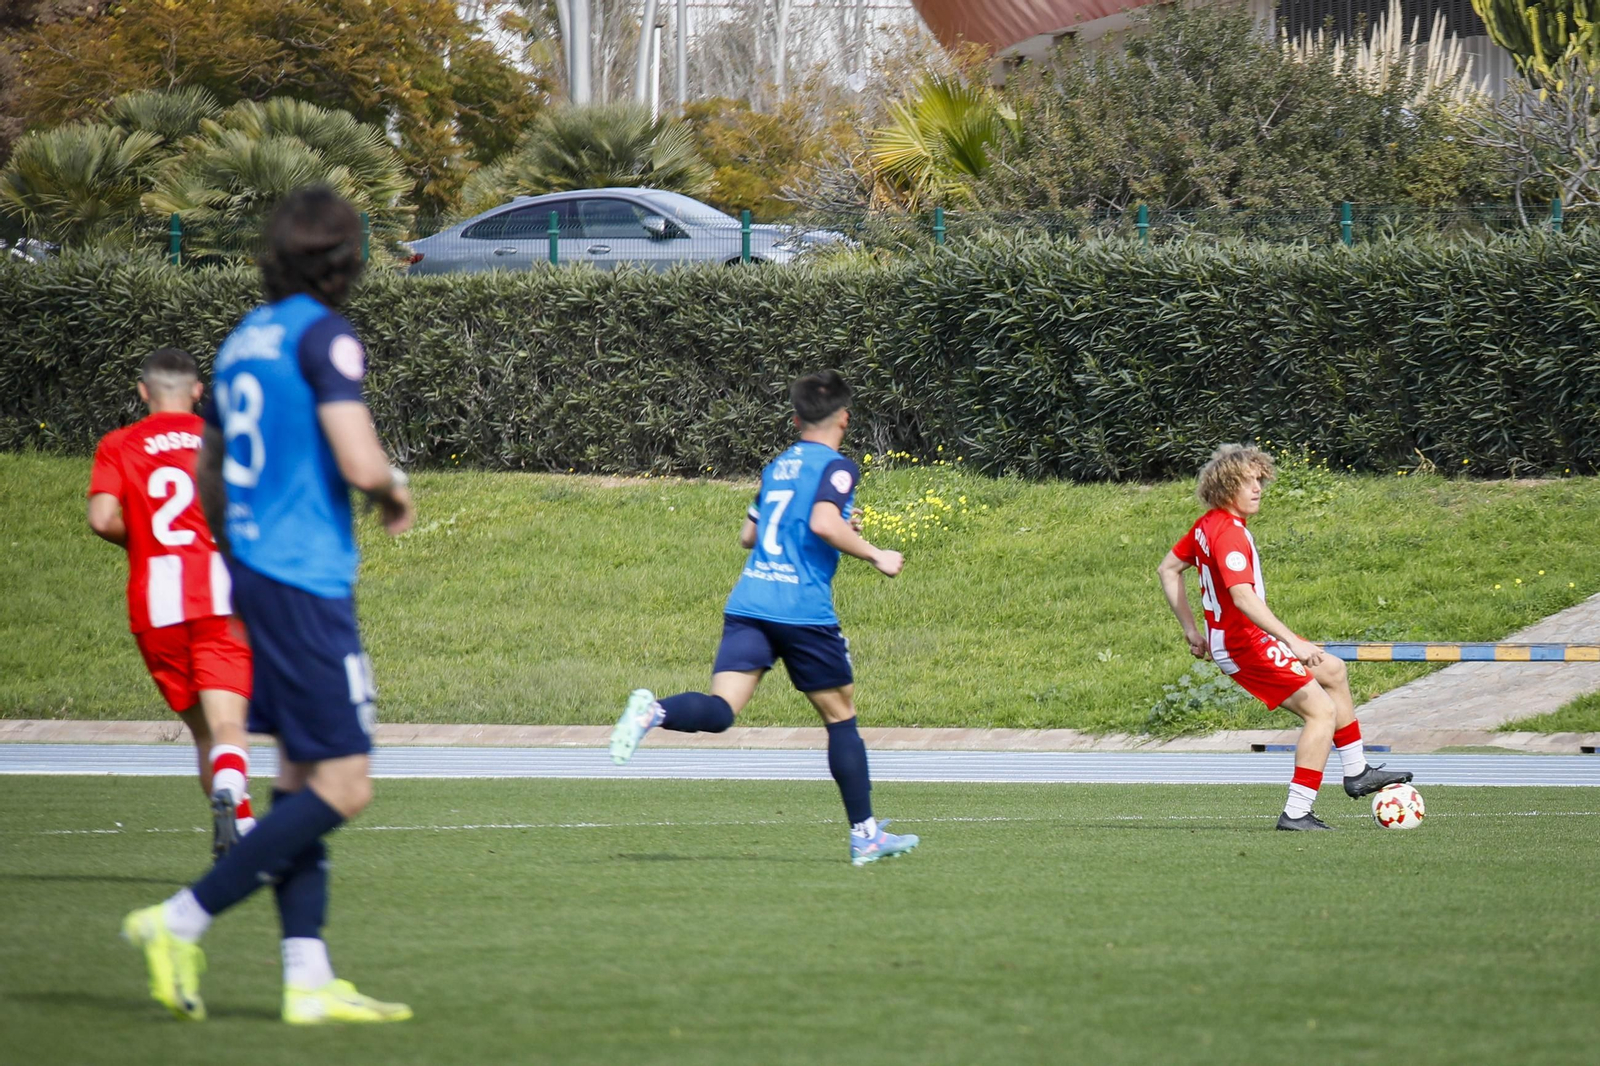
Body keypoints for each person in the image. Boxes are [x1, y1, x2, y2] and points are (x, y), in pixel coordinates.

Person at [122, 186, 415, 1024]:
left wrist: (238, 538)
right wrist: (393, 489)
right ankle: (179, 918)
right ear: (345, 257)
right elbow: (359, 460)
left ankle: (306, 977)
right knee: (347, 785)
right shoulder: (325, 333)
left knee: (296, 779)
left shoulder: (244, 339)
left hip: (251, 571)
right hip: (304, 579)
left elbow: (212, 465)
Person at [609, 370, 920, 866]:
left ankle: (654, 711)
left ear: (797, 419)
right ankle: (865, 835)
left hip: (751, 604)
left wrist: (835, 526)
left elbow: (750, 536)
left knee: (722, 710)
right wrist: (876, 553)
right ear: (844, 417)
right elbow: (820, 521)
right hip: (801, 610)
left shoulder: (779, 466)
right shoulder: (838, 468)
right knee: (841, 720)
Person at [1157, 444, 1412, 830]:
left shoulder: (1206, 525)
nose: (1258, 488)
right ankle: (1296, 812)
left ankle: (1357, 771)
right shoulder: (1228, 534)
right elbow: (1242, 597)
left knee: (1334, 672)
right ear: (1227, 487)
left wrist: (1194, 631)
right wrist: (1292, 640)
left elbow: (1168, 569)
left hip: (1238, 638)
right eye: (1249, 482)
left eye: (1260, 480)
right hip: (1245, 643)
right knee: (1320, 712)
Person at [88, 348, 256, 855]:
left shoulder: (119, 444)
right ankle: (234, 797)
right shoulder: (222, 442)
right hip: (219, 597)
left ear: (143, 392)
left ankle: (242, 832)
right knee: (229, 723)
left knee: (206, 735)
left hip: (155, 605)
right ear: (198, 392)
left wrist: (141, 539)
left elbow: (100, 518)